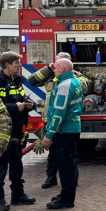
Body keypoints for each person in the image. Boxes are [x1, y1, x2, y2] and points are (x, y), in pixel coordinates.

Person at [29, 52, 89, 189]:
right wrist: (48, 69)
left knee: (68, 156)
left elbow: (85, 86)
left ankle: (70, 181)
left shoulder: (75, 78)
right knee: (52, 153)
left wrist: (75, 73)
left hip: (63, 122)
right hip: (48, 119)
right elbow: (32, 81)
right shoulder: (50, 75)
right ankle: (51, 177)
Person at [0, 52, 35, 211]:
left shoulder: (17, 81)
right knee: (0, 165)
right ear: (7, 65)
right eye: (16, 63)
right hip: (3, 130)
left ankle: (18, 195)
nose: (19, 65)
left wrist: (29, 105)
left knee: (16, 162)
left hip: (16, 129)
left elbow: (20, 98)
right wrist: (16, 107)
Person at [42, 59, 83, 209]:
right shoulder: (74, 81)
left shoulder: (65, 86)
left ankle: (66, 199)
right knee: (69, 164)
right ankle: (65, 195)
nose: (54, 70)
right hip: (71, 128)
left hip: (64, 130)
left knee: (66, 166)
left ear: (64, 68)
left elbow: (59, 113)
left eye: (56, 68)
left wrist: (49, 134)